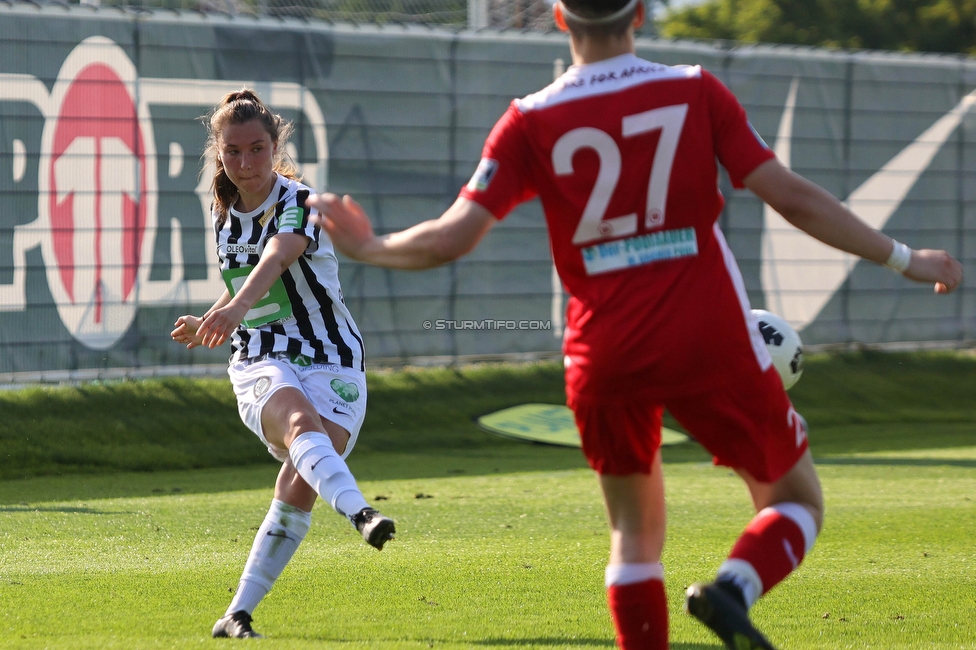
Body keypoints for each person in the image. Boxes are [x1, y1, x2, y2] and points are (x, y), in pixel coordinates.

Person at [305, 0, 963, 646]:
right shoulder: (694, 92)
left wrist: (371, 247)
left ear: (561, 19)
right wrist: (904, 257)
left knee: (633, 535)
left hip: (604, 352)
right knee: (796, 499)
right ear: (640, 12)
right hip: (709, 338)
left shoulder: (528, 121)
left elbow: (450, 238)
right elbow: (789, 195)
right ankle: (733, 588)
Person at [171, 89, 395, 640]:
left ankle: (237, 613)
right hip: (260, 358)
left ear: (276, 147)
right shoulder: (224, 214)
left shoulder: (300, 198)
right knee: (301, 425)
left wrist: (234, 307)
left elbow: (280, 253)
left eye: (257, 150)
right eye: (233, 152)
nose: (245, 165)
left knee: (299, 483)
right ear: (218, 153)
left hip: (332, 356)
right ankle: (363, 514)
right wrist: (215, 320)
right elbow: (252, 290)